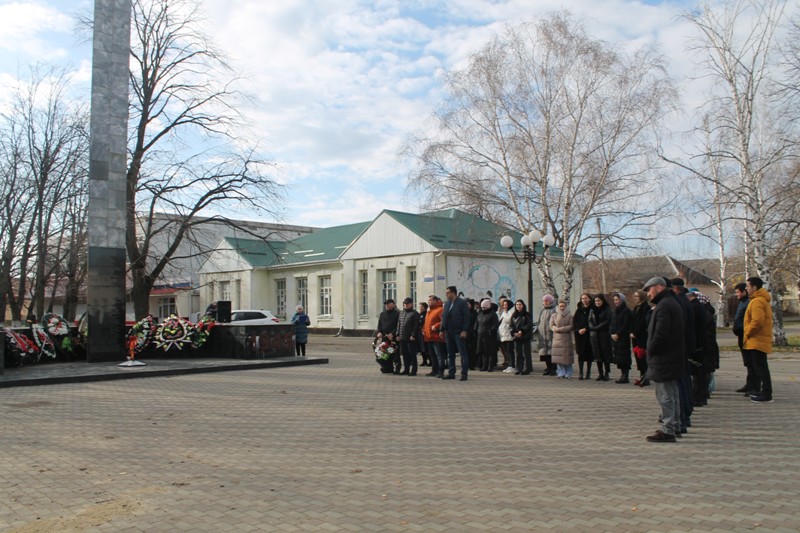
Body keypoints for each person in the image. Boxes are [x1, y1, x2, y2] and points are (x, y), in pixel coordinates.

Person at [642, 277, 685, 443]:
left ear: (659, 287)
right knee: (672, 393)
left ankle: (668, 429)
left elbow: (661, 334)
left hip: (664, 358)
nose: (648, 293)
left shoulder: (665, 306)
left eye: (649, 289)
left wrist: (651, 350)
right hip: (671, 357)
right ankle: (675, 426)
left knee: (666, 395)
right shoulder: (669, 303)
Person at [743, 277, 774, 403]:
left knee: (761, 368)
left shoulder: (757, 302)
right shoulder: (757, 300)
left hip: (757, 340)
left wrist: (748, 332)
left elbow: (757, 321)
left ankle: (766, 393)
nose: (746, 288)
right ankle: (764, 392)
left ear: (754, 287)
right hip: (757, 340)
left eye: (748, 286)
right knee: (760, 367)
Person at [440, 286, 471, 381]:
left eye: (448, 293)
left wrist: (464, 330)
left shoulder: (462, 303)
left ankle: (464, 374)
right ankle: (451, 372)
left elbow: (466, 317)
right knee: (450, 354)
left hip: (459, 332)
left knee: (462, 353)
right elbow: (444, 317)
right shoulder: (447, 303)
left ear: (453, 293)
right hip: (449, 332)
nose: (446, 294)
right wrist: (442, 330)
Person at [732, 282, 756, 395]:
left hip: (746, 335)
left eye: (738, 292)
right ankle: (750, 384)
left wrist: (744, 330)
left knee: (751, 362)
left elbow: (750, 321)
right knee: (747, 362)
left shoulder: (748, 303)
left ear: (743, 292)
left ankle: (754, 386)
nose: (736, 294)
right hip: (742, 335)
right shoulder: (743, 302)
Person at [588, 294, 612, 381]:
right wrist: (592, 328)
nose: (597, 302)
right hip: (594, 335)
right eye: (596, 301)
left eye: (599, 301)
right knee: (597, 354)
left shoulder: (607, 309)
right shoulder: (592, 310)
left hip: (604, 334)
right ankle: (600, 373)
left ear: (602, 301)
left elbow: (607, 321)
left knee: (605, 354)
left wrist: (597, 328)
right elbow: (589, 320)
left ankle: (607, 373)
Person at [610, 292, 633, 383]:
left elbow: (625, 324)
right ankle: (622, 374)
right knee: (619, 357)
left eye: (617, 299)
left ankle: (625, 375)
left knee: (624, 357)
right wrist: (612, 333)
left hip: (623, 337)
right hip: (616, 337)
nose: (615, 301)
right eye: (614, 300)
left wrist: (618, 334)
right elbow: (612, 323)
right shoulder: (616, 310)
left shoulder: (626, 311)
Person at [630, 290, 650, 386]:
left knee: (642, 356)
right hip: (635, 336)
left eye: (637, 296)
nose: (635, 298)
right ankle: (642, 375)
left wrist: (636, 332)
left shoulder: (645, 307)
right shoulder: (636, 307)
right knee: (638, 356)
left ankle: (646, 377)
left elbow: (643, 322)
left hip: (641, 336)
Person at [422, 295, 446, 378]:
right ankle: (434, 370)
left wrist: (436, 326)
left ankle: (440, 371)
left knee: (439, 355)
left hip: (436, 337)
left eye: (431, 300)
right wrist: (424, 329)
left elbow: (443, 321)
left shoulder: (440, 310)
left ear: (435, 301)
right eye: (428, 300)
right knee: (432, 356)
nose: (429, 302)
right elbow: (427, 322)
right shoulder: (429, 311)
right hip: (429, 337)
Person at [396, 297, 421, 376]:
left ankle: (414, 370)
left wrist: (413, 335)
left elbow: (416, 326)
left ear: (411, 304)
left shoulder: (415, 313)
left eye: (407, 304)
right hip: (402, 337)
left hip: (411, 338)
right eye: (404, 304)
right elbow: (399, 324)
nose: (405, 305)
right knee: (404, 354)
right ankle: (406, 369)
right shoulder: (401, 313)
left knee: (412, 354)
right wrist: (397, 334)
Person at [550, 300, 574, 378]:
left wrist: (562, 329)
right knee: (558, 357)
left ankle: (568, 373)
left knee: (567, 357)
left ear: (566, 306)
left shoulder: (570, 315)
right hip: (557, 339)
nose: (562, 307)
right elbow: (551, 325)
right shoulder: (554, 315)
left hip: (567, 338)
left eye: (563, 306)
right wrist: (556, 329)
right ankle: (560, 373)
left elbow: (571, 326)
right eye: (560, 306)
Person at [376, 299, 401, 374]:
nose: (387, 305)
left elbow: (399, 326)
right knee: (382, 353)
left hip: (393, 338)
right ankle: (386, 367)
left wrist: (393, 334)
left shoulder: (398, 314)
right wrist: (379, 332)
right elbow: (379, 325)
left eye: (388, 304)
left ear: (393, 304)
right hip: (384, 337)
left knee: (394, 354)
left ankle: (397, 368)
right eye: (386, 304)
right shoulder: (382, 314)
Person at [573, 293, 594, 380]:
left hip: (589, 334)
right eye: (582, 298)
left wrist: (586, 328)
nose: (584, 300)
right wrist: (578, 330)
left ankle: (588, 371)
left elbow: (593, 321)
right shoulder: (579, 310)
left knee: (589, 354)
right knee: (580, 354)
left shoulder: (592, 309)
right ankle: (581, 372)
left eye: (585, 298)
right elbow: (575, 321)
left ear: (589, 299)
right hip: (580, 335)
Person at [476, 298, 500, 372]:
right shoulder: (480, 313)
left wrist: (492, 330)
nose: (483, 309)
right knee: (483, 351)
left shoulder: (493, 314)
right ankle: (484, 366)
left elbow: (495, 324)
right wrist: (475, 330)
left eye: (485, 307)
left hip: (490, 335)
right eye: (482, 307)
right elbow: (477, 323)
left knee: (490, 352)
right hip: (481, 334)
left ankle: (490, 366)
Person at [511, 299, 533, 375]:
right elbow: (511, 326)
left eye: (520, 304)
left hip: (525, 336)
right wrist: (514, 333)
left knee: (526, 353)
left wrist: (522, 331)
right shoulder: (514, 315)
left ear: (523, 305)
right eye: (517, 305)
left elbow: (529, 324)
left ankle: (527, 368)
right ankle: (518, 368)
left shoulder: (526, 314)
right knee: (518, 353)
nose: (518, 306)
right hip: (517, 337)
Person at [537, 294, 557, 376]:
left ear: (551, 301)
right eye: (544, 301)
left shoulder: (555, 310)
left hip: (551, 334)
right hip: (543, 335)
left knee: (552, 352)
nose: (545, 302)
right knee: (545, 353)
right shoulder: (542, 310)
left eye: (546, 301)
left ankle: (553, 368)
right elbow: (539, 321)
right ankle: (548, 367)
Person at [498, 298, 516, 373]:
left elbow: (509, 320)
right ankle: (509, 365)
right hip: (503, 335)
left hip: (509, 335)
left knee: (510, 351)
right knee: (506, 351)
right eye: (504, 305)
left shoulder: (511, 312)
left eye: (506, 305)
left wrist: (505, 312)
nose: (504, 306)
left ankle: (512, 366)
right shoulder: (503, 312)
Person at [417, 302, 430, 367]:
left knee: (426, 347)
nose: (420, 308)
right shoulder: (419, 314)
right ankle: (424, 361)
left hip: (424, 332)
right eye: (420, 307)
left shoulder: (426, 314)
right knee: (422, 348)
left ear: (425, 307)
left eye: (421, 307)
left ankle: (430, 361)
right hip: (419, 333)